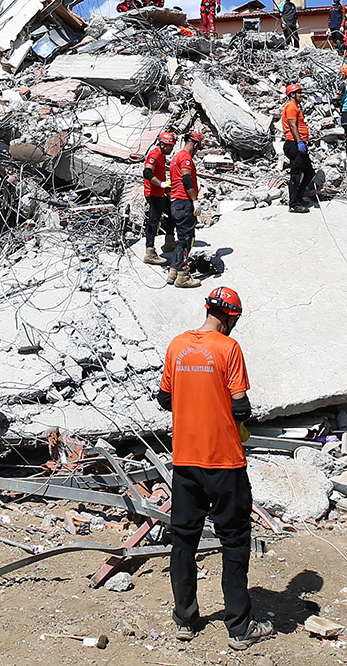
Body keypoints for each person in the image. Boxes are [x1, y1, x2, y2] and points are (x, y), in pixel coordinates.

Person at [160, 287, 271, 650]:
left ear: (208, 308)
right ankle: (239, 628)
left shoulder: (177, 345)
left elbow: (164, 398)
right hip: (224, 461)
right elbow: (241, 408)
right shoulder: (228, 349)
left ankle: (185, 620)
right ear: (231, 317)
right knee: (235, 541)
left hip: (185, 462)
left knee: (183, 540)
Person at [166, 129, 203, 288]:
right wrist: (195, 200)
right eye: (197, 148)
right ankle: (183, 276)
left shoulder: (175, 158)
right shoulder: (186, 158)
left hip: (175, 202)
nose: (196, 152)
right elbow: (187, 178)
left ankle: (173, 270)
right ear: (195, 144)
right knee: (187, 238)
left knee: (181, 239)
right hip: (184, 202)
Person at [142, 130, 177, 265]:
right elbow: (147, 172)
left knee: (172, 213)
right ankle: (149, 252)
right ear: (162, 144)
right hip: (153, 193)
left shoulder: (162, 156)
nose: (172, 149)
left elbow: (161, 174)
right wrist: (161, 184)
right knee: (153, 221)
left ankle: (169, 242)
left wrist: (167, 190)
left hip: (160, 193)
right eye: (170, 146)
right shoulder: (155, 154)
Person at [280, 83, 313, 213]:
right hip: (294, 143)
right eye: (299, 93)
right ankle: (293, 204)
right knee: (296, 174)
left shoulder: (295, 107)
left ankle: (298, 199)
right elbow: (293, 126)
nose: (301, 95)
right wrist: (299, 142)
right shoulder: (291, 106)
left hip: (299, 143)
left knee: (309, 173)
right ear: (292, 95)